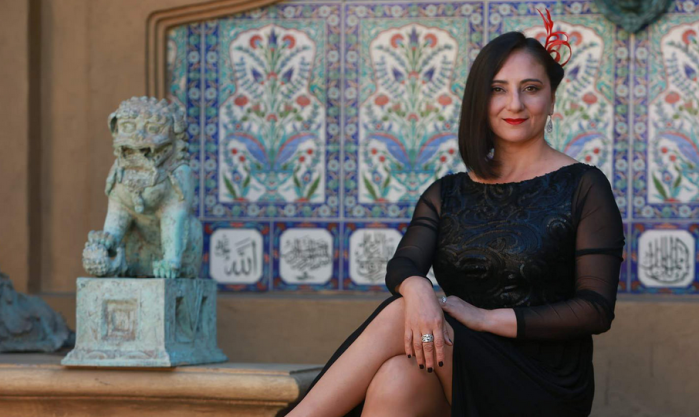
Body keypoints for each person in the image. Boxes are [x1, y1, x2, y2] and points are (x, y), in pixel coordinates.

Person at [287, 9, 625, 417]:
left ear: (551, 98)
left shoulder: (585, 186)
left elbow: (594, 309)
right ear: (480, 102)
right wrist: (418, 290)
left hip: (543, 380)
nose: (515, 103)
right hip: (461, 360)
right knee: (397, 376)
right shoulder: (447, 193)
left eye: (531, 88)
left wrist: (485, 319)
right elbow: (404, 265)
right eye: (498, 89)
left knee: (400, 317)